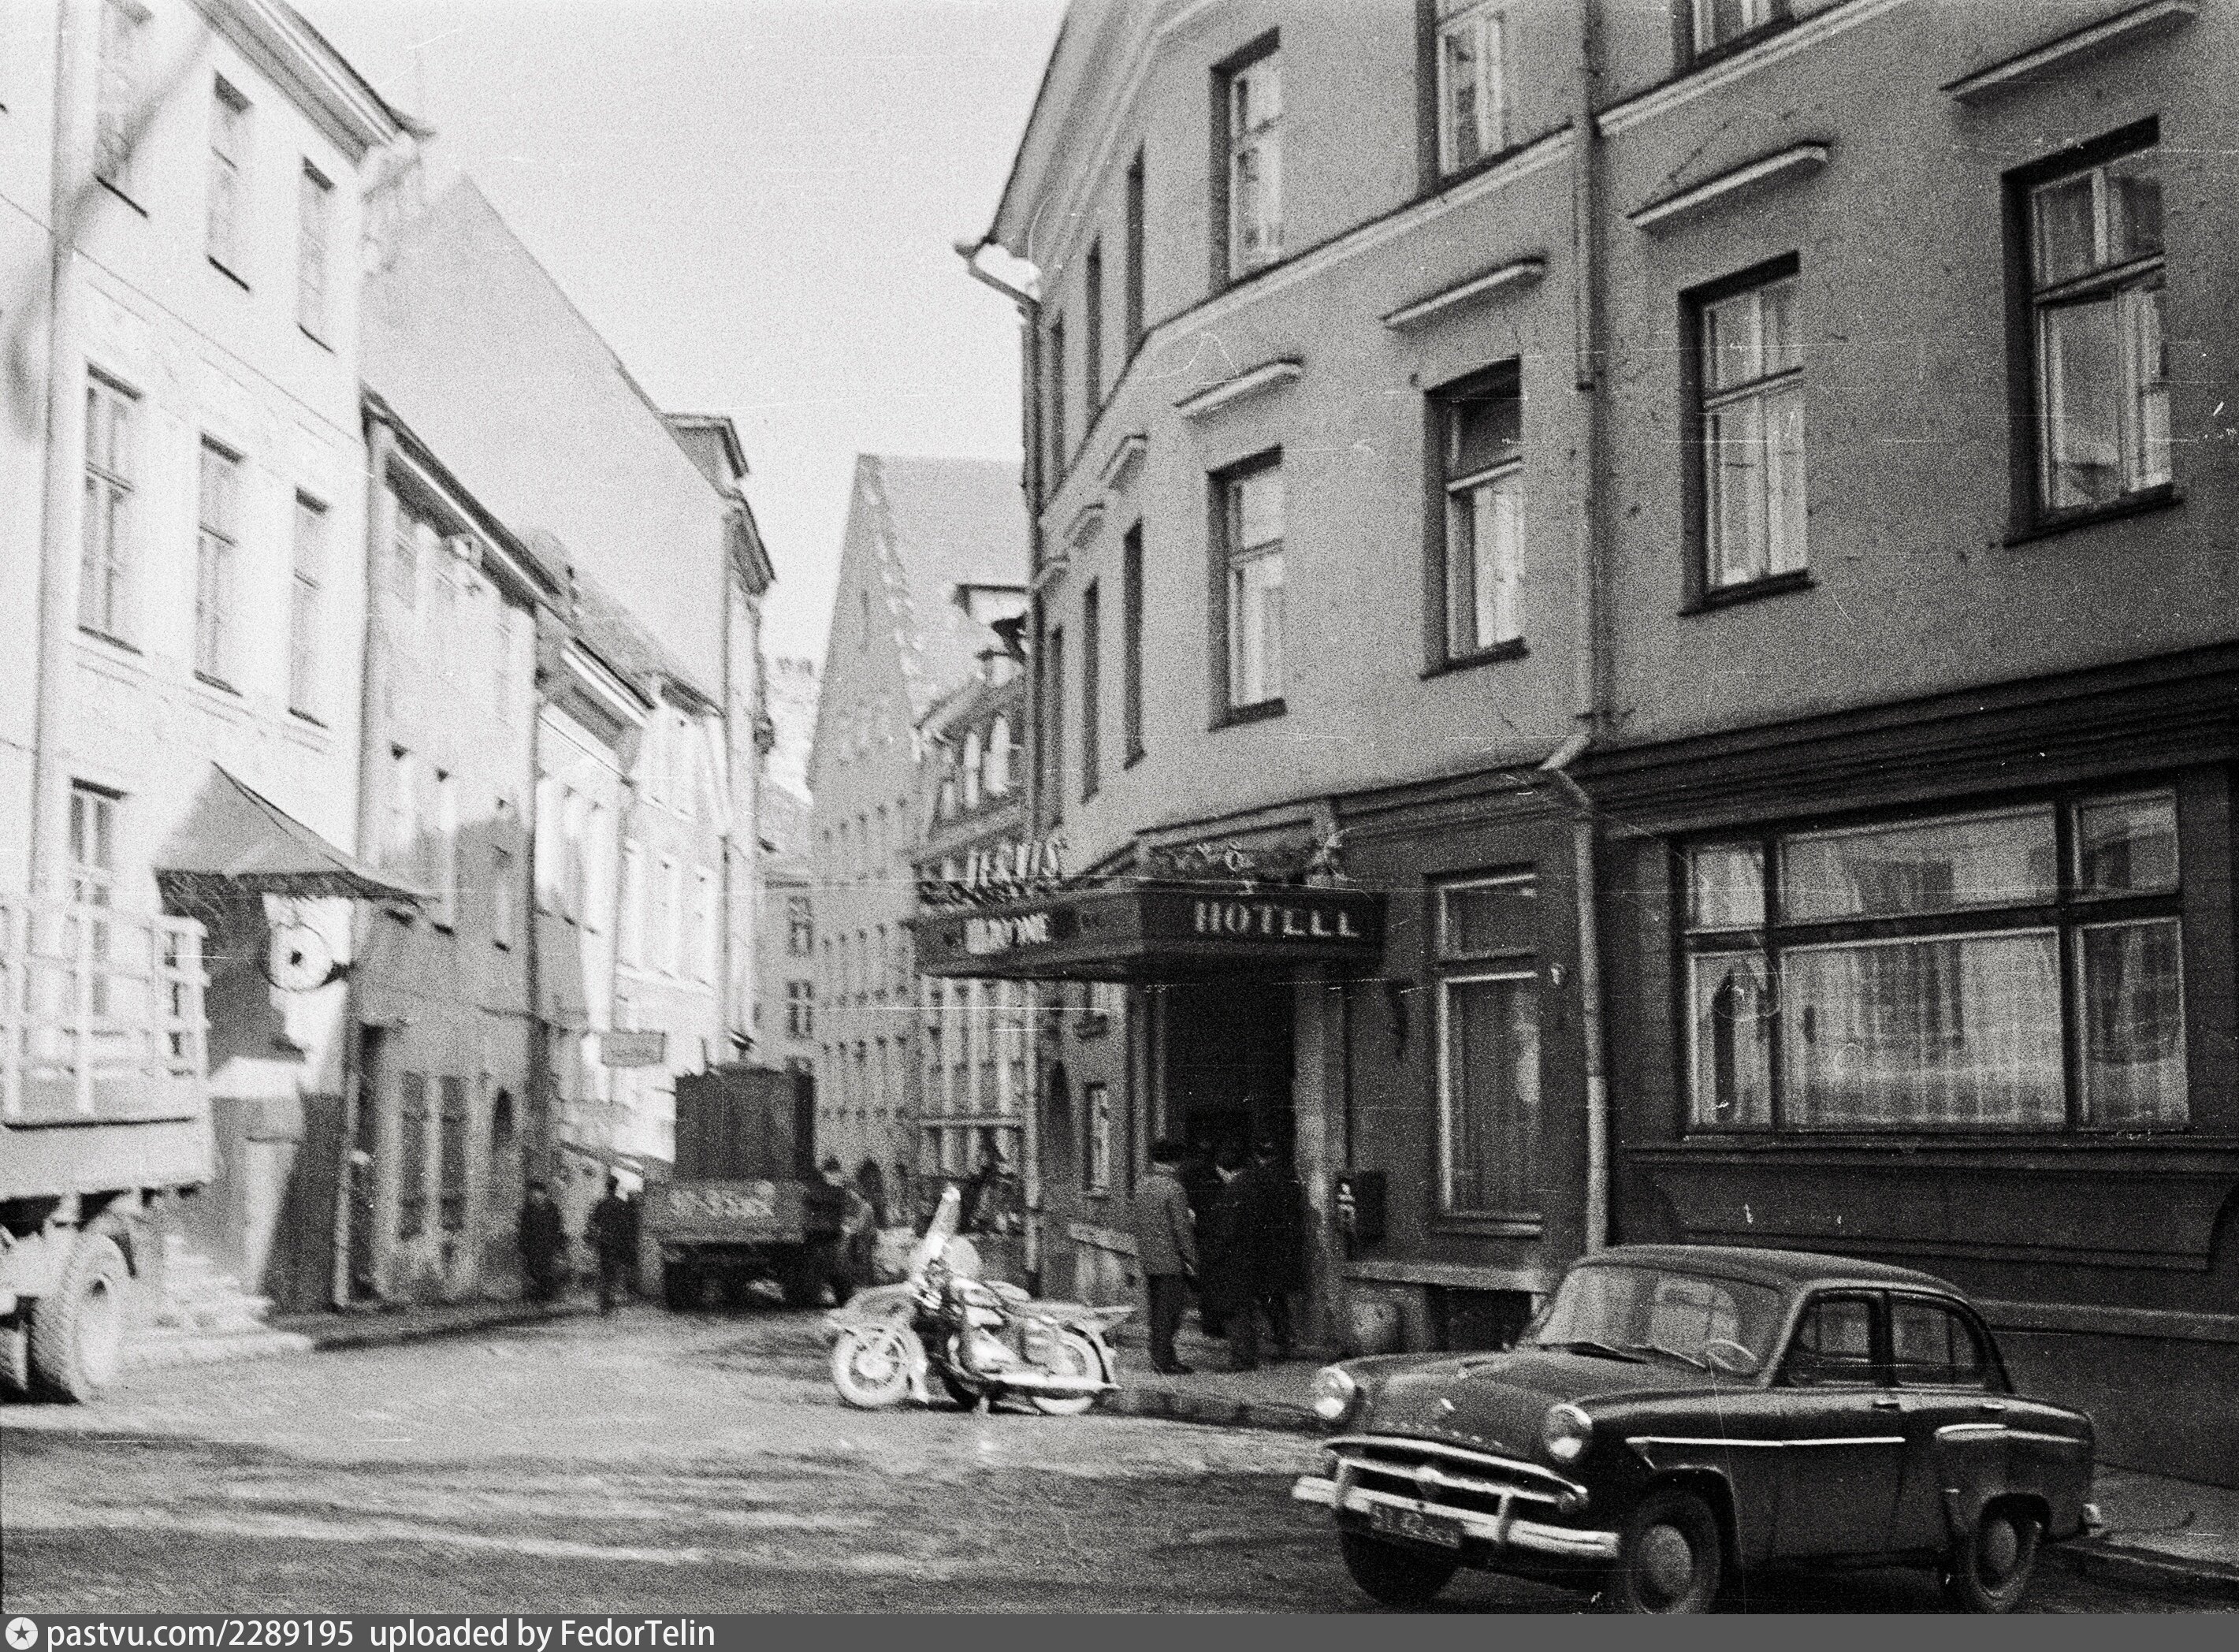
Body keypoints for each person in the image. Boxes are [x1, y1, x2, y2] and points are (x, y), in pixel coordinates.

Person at [1133, 1140, 1198, 1375]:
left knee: (1157, 1311)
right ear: (1176, 1161)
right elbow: (1181, 1228)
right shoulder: (1174, 1189)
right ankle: (1164, 1360)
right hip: (1170, 1259)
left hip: (1149, 1257)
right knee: (1170, 1313)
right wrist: (1192, 1258)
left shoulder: (1142, 1185)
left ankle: (1160, 1356)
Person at [1241, 1140, 1308, 1360]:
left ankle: (1282, 1342)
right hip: (1286, 1247)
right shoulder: (1289, 1175)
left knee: (1270, 1299)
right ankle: (1285, 1340)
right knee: (1280, 1298)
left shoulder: (1259, 1179)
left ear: (1257, 1156)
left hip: (1265, 1249)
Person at [1199, 1142, 1261, 1371]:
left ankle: (1242, 1360)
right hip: (1248, 1257)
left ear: (1222, 1170)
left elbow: (1225, 1232)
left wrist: (1208, 1255)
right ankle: (1246, 1358)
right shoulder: (1252, 1185)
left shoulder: (1232, 1192)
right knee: (1243, 1310)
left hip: (1232, 1261)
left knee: (1235, 1312)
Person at [590, 1176, 634, 1314]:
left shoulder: (601, 1205)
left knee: (605, 1271)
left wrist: (596, 1238)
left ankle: (605, 1301)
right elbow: (627, 1226)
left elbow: (594, 1224)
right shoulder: (622, 1205)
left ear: (606, 1187)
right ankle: (611, 1299)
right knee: (615, 1272)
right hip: (618, 1243)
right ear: (616, 1187)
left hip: (605, 1243)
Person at [517, 1180, 567, 1304]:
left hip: (547, 1246)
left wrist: (559, 1245)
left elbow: (557, 1227)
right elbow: (524, 1229)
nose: (533, 1196)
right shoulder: (528, 1210)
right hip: (532, 1246)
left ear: (543, 1193)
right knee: (533, 1270)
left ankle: (545, 1295)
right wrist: (522, 1245)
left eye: (536, 1193)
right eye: (532, 1194)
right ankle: (539, 1295)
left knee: (545, 1270)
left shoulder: (552, 1209)